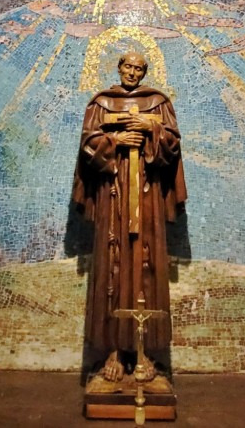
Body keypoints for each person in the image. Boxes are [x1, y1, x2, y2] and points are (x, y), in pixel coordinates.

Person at [72, 52, 187, 382]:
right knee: (112, 265)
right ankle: (111, 351)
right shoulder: (101, 102)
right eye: (128, 66)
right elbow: (87, 144)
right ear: (119, 68)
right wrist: (116, 140)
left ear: (145, 72)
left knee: (146, 267)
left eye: (139, 68)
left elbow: (172, 145)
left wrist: (151, 127)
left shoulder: (158, 102)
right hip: (113, 195)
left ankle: (143, 350)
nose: (133, 73)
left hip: (148, 195)